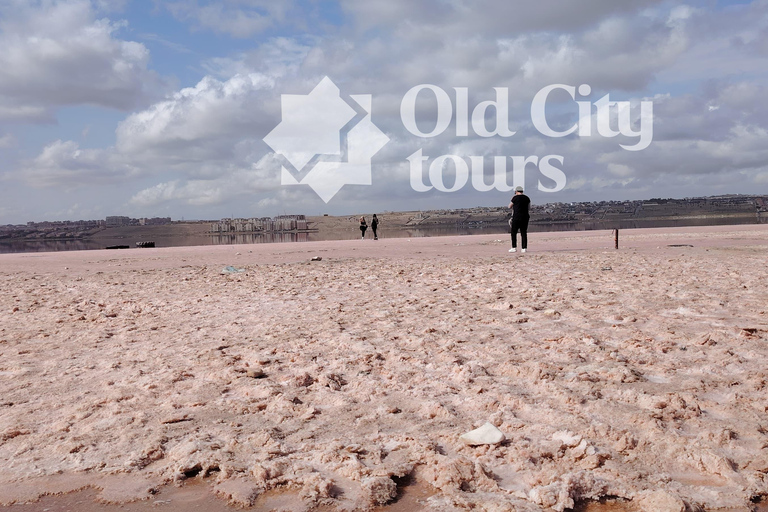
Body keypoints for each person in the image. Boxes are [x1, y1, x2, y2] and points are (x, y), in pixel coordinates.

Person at [508, 186, 530, 253]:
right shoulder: (527, 198)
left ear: (516, 191)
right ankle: (524, 248)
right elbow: (529, 207)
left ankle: (514, 247)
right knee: (523, 232)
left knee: (514, 232)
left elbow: (509, 206)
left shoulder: (515, 198)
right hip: (525, 217)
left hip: (516, 217)